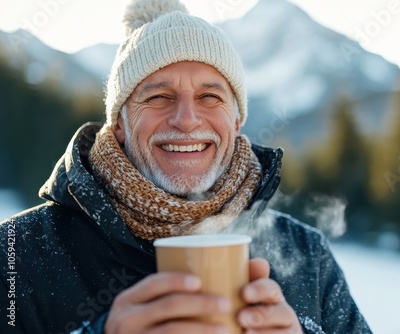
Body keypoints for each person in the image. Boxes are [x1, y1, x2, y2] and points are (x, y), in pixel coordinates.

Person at [0, 0, 372, 333]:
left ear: (236, 120)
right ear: (119, 125)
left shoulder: (308, 256)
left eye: (210, 96)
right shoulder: (18, 253)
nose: (187, 119)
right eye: (159, 96)